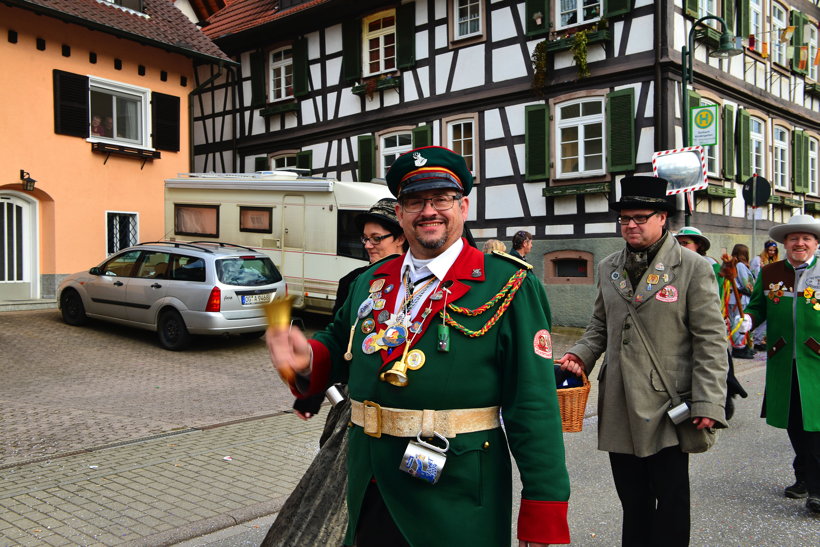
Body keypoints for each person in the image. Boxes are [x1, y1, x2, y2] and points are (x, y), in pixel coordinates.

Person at [267, 146, 570, 546]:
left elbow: (533, 406)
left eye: (440, 198)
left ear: (462, 205)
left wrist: (543, 516)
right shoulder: (370, 281)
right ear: (401, 213)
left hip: (457, 496)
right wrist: (306, 356)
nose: (428, 211)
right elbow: (339, 344)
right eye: (414, 201)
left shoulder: (508, 284)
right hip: (369, 484)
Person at [556, 176, 728, 547]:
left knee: (670, 499)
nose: (630, 225)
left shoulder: (693, 267)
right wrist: (580, 355)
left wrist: (709, 401)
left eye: (639, 217)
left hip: (669, 402)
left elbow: (711, 341)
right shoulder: (608, 266)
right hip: (618, 401)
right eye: (624, 218)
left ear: (662, 217)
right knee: (632, 500)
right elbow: (600, 325)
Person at [292, 198, 407, 420]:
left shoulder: (425, 280)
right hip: (363, 400)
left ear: (401, 237)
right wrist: (310, 395)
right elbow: (338, 340)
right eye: (365, 238)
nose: (367, 245)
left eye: (376, 238)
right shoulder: (354, 281)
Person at [741, 214, 820, 514]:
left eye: (806, 238)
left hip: (817, 361)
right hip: (783, 360)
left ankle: (817, 489)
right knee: (794, 422)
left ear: (815, 243)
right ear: (785, 243)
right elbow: (758, 306)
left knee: (816, 426)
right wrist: (747, 319)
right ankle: (803, 478)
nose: (800, 243)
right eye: (793, 238)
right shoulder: (771, 271)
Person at [674, 227, 748, 420]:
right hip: (679, 326)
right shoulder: (671, 264)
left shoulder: (709, 265)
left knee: (715, 361)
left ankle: (723, 398)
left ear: (698, 245)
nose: (680, 247)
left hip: (708, 323)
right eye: (678, 243)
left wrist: (727, 275)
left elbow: (719, 286)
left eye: (685, 243)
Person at [750, 240, 779, 350]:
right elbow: (755, 277)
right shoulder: (758, 260)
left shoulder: (774, 261)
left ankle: (760, 339)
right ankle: (755, 340)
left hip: (772, 291)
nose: (772, 252)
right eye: (770, 250)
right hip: (760, 290)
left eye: (774, 251)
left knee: (768, 318)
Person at [728, 244, 755, 359]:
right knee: (740, 322)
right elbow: (745, 283)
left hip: (736, 297)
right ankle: (739, 347)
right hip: (740, 298)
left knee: (737, 322)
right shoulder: (740, 265)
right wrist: (754, 290)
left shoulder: (735, 264)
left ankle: (742, 345)